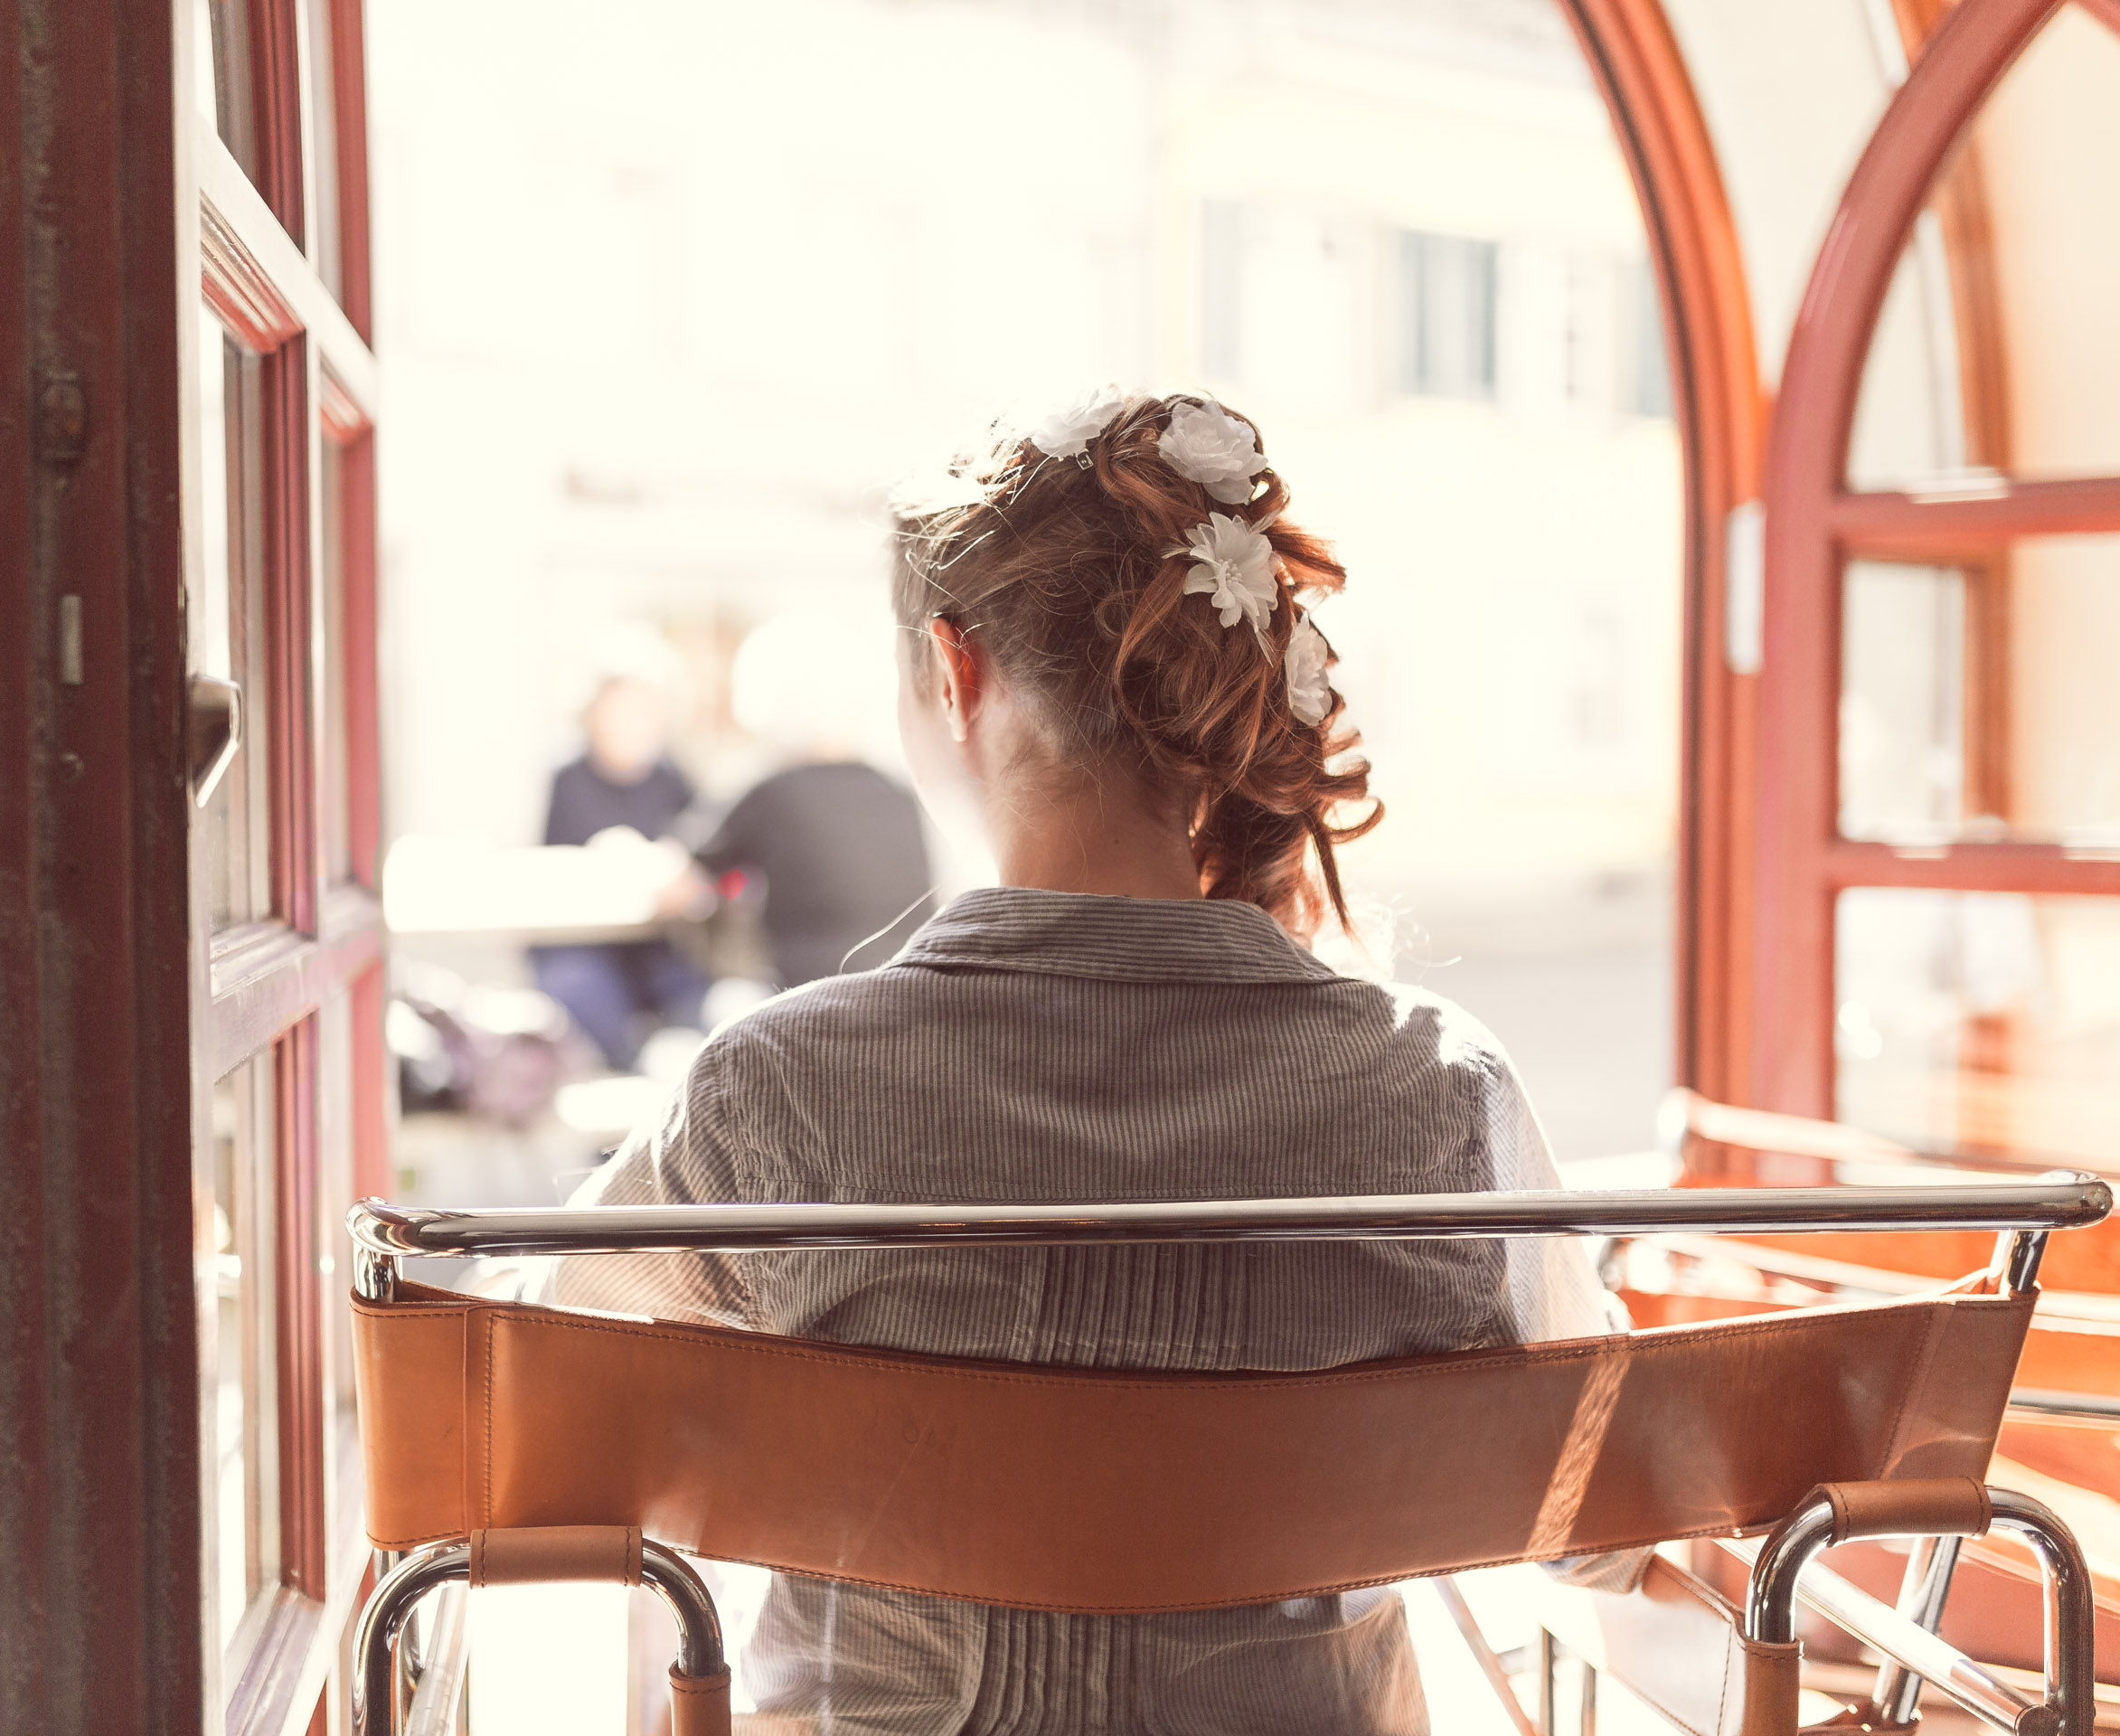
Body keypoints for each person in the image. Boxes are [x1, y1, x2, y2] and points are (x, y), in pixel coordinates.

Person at [549, 390, 1625, 1734]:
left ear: (955, 673)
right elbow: (1599, 1506)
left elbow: (549, 1407)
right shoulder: (1432, 1092)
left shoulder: (775, 1088)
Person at [699, 612, 936, 986]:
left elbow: (686, 871)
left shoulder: (772, 792)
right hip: (909, 989)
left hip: (810, 999)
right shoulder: (898, 791)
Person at [531, 675, 708, 1071]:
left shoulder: (669, 776)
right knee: (584, 995)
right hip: (582, 943)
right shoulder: (568, 777)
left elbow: (701, 848)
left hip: (654, 940)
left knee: (696, 1003)